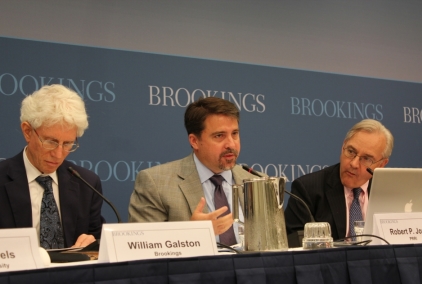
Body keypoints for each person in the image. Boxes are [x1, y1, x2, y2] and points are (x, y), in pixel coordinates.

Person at [128, 97, 263, 245]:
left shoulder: (259, 182)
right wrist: (191, 234)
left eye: (235, 134)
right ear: (194, 141)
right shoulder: (156, 183)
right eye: (219, 136)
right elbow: (142, 246)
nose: (231, 144)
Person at [0, 84, 104, 249]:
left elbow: (97, 239)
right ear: (27, 131)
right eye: (50, 142)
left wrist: (92, 243)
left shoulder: (87, 184)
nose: (58, 154)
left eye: (68, 143)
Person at [284, 119, 394, 241]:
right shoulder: (308, 189)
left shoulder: (391, 194)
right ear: (343, 146)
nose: (354, 163)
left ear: (381, 165)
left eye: (366, 159)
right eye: (351, 151)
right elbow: (294, 244)